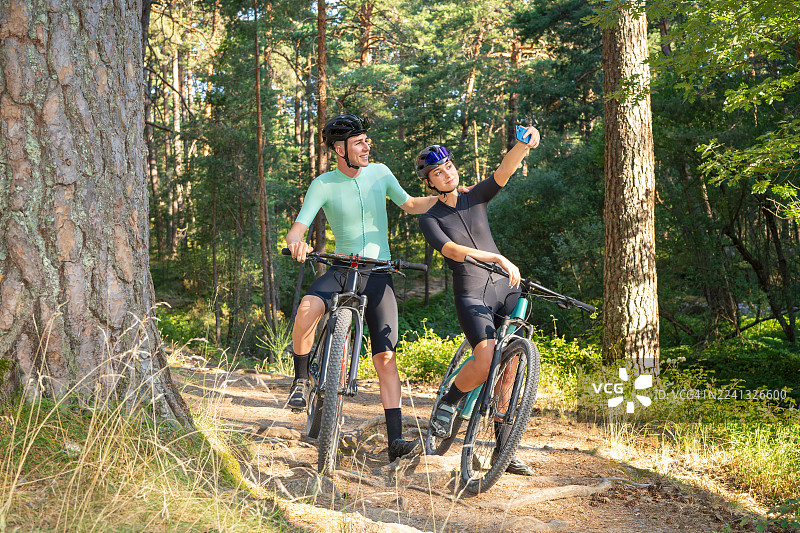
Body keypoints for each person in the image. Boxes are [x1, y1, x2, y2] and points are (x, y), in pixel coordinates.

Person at [285, 114, 438, 463]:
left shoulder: (381, 173)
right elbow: (299, 227)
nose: (367, 147)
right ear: (340, 149)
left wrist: (447, 197)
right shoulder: (323, 184)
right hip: (341, 268)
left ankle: (396, 438)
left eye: (367, 140)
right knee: (308, 308)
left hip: (379, 272)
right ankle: (301, 381)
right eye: (359, 142)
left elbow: (411, 204)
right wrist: (296, 243)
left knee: (386, 357)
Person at [416, 127, 540, 476]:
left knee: (512, 365)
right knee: (486, 358)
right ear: (430, 182)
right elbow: (452, 251)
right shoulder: (430, 219)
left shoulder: (475, 197)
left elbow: (505, 171)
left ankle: (505, 448)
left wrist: (523, 143)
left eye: (449, 167)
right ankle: (450, 402)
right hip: (472, 291)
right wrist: (495, 258)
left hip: (506, 287)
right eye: (437, 172)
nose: (446, 174)